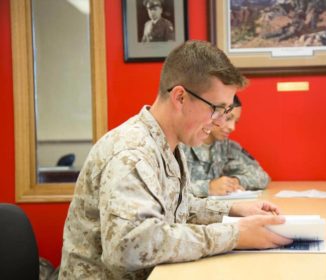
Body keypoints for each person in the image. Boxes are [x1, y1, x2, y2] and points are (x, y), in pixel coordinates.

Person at [59, 40, 292, 279]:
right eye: (217, 109)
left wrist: (234, 210)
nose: (221, 122)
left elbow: (175, 208)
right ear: (180, 97)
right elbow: (128, 247)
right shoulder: (131, 153)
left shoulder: (167, 143)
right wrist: (232, 234)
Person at [182, 95, 270, 197]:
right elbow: (164, 190)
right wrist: (208, 187)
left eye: (236, 122)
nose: (232, 127)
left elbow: (263, 177)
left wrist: (235, 182)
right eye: (228, 118)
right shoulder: (181, 143)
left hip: (215, 210)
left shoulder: (226, 146)